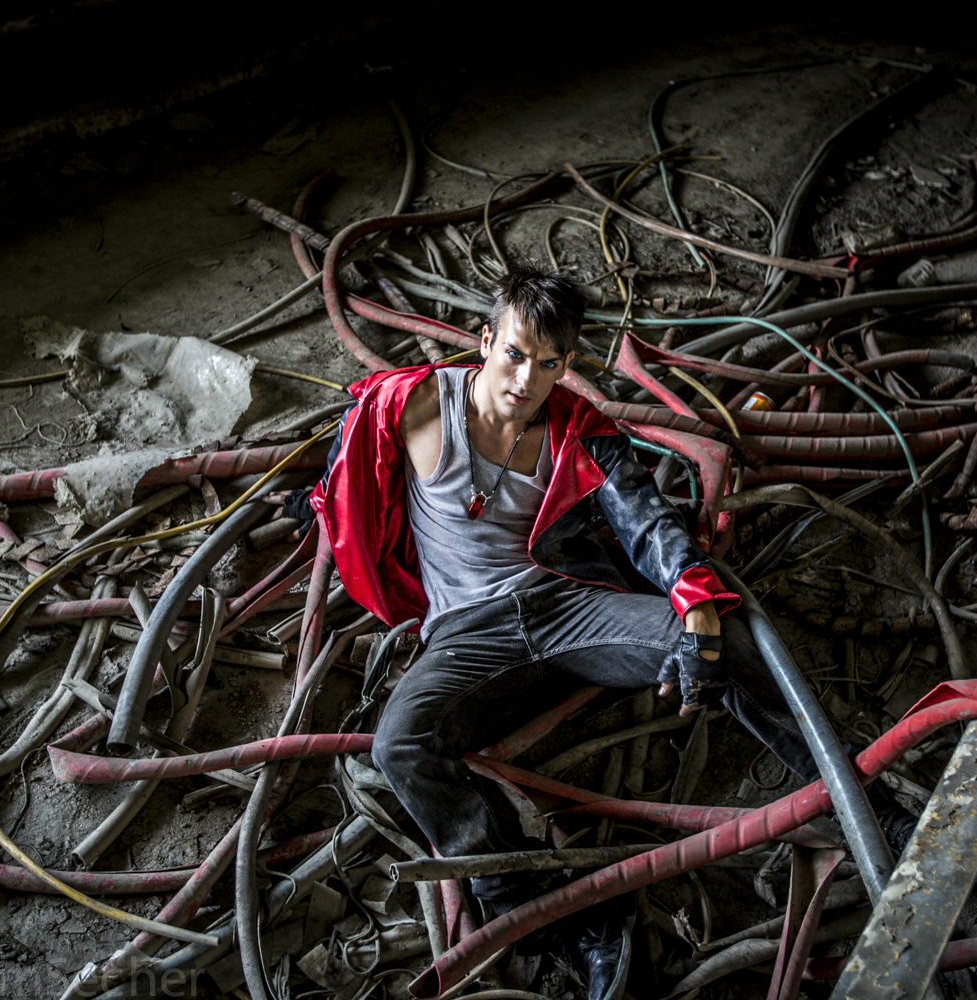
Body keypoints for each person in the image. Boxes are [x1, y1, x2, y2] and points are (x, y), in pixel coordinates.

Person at [280, 268, 895, 1000]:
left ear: (566, 363)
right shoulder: (410, 407)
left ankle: (860, 797)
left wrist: (694, 598)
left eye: (548, 363)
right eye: (513, 353)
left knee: (725, 643)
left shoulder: (577, 431)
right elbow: (348, 468)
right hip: (466, 637)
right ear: (484, 341)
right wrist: (316, 502)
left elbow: (642, 519)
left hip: (569, 610)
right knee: (398, 746)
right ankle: (564, 922)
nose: (526, 378)